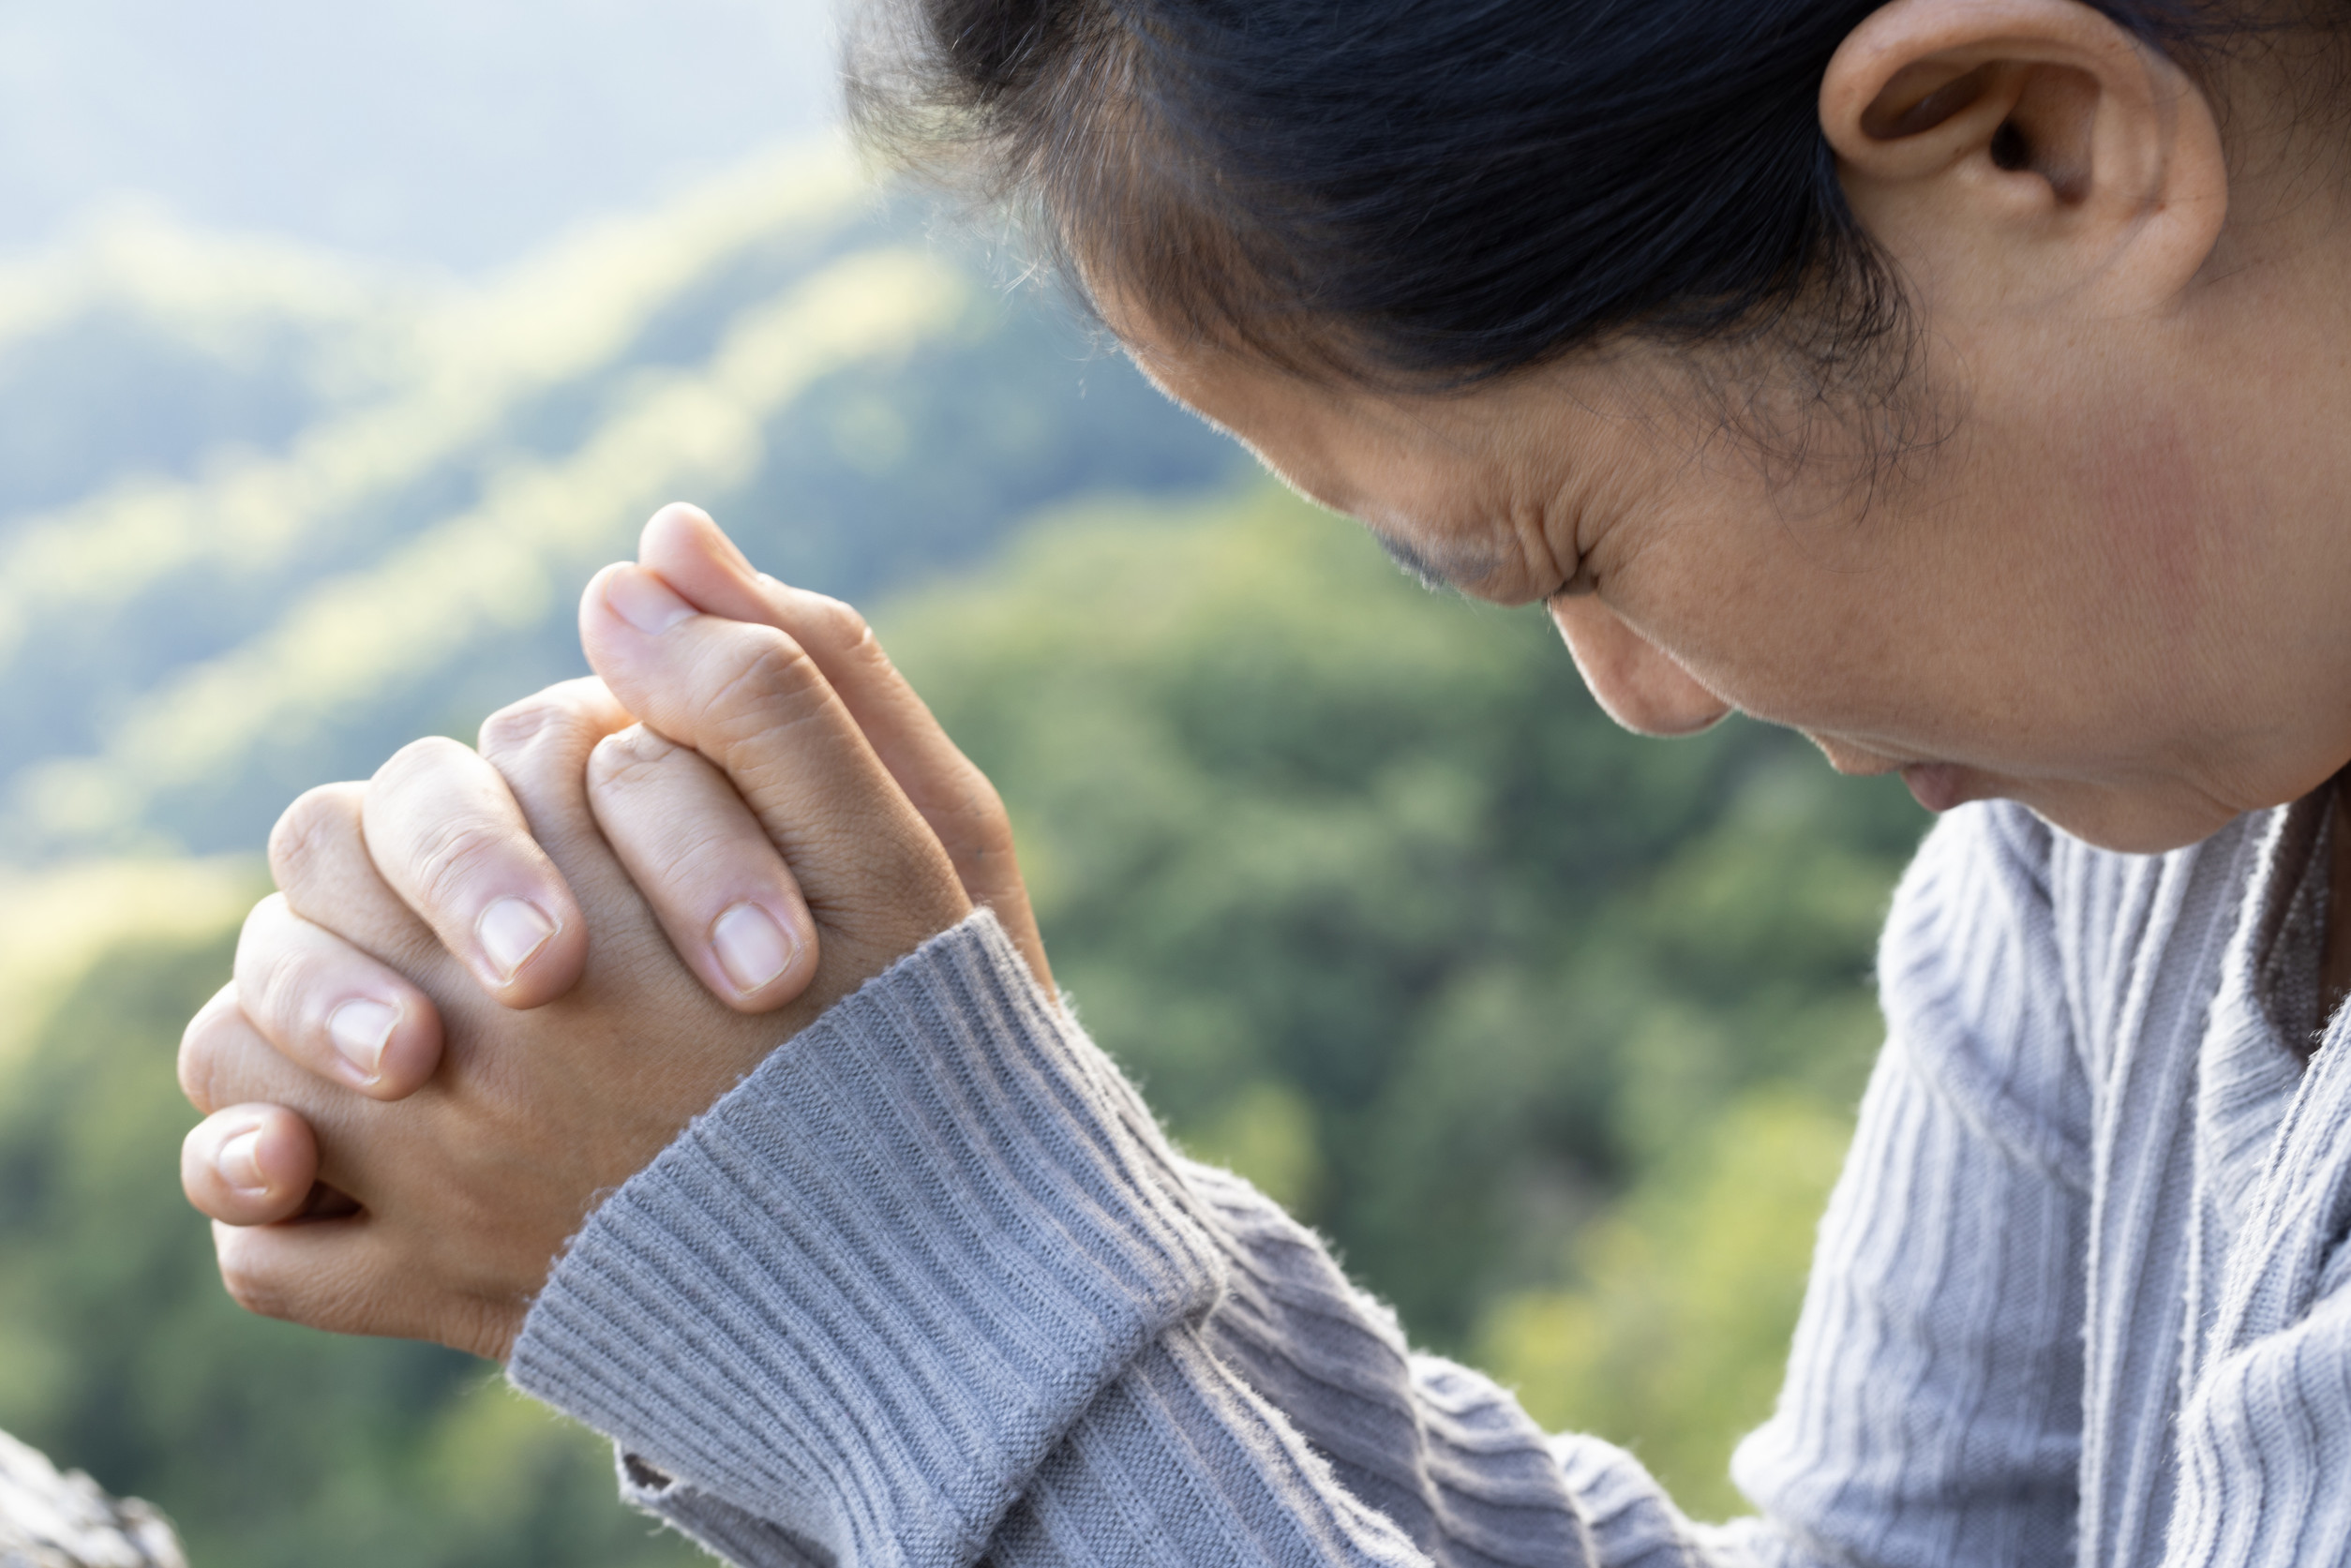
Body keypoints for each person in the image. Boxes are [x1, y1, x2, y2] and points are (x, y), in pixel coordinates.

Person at [172, 0, 2351, 1559]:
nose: (1642, 695)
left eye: (1565, 550)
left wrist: (922, 1302)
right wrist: (1011, 1213)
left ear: (2028, 141)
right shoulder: (2138, 791)